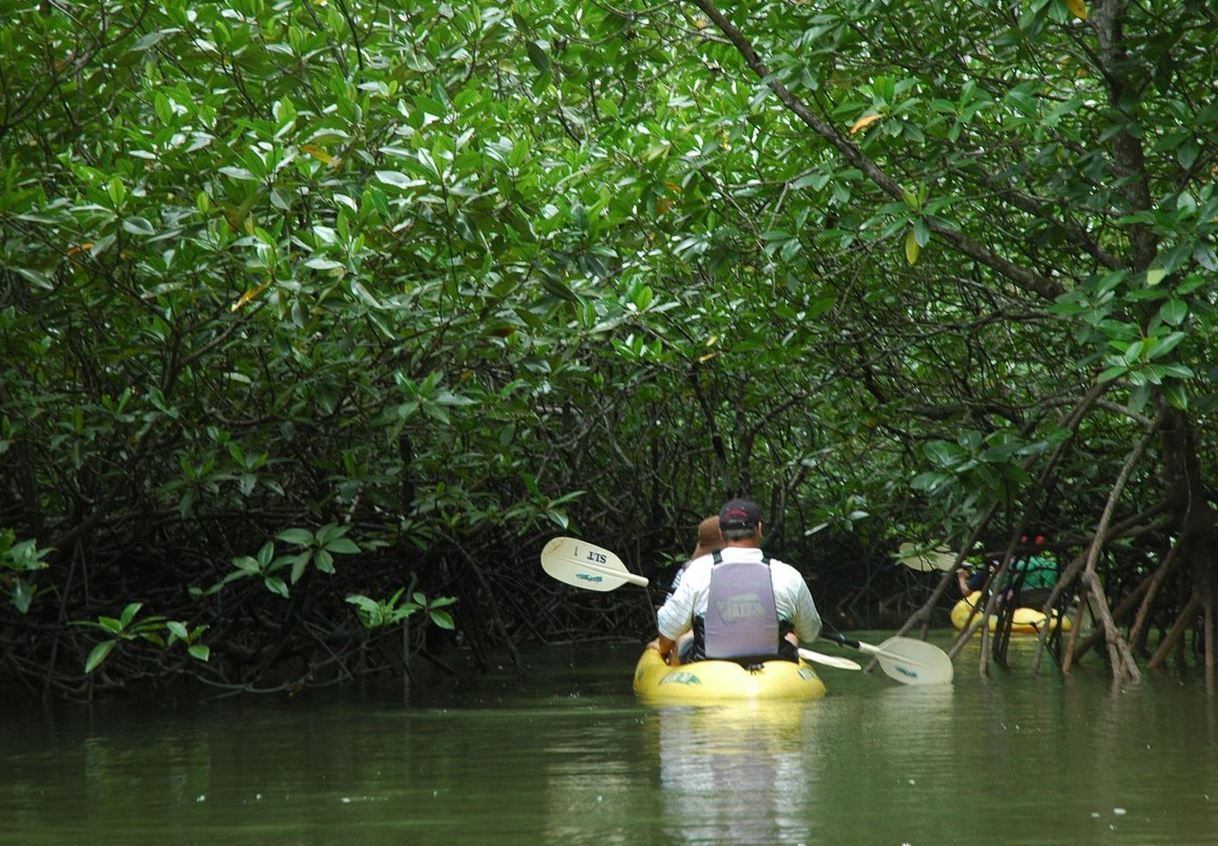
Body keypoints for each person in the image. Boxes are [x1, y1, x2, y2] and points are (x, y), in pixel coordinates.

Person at [647, 498, 821, 664]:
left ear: (722, 534)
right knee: (793, 634)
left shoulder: (696, 571)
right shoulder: (789, 575)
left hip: (709, 666)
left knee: (682, 640)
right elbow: (811, 633)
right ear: (759, 528)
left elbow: (668, 630)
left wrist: (661, 649)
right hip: (774, 666)